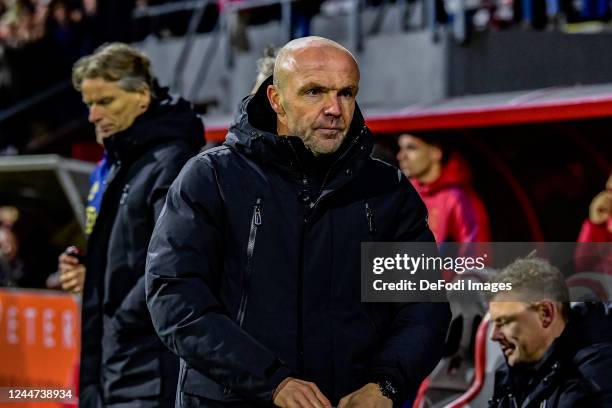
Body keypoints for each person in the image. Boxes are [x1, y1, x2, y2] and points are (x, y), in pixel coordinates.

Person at [146, 36, 451, 408]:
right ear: (276, 100)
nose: (334, 108)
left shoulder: (387, 191)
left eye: (346, 93)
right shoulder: (212, 178)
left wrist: (385, 385)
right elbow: (176, 298)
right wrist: (272, 381)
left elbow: (422, 307)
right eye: (314, 92)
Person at [59, 43, 204, 407]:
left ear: (141, 96)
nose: (92, 115)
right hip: (116, 362)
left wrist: (122, 320)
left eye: (105, 101)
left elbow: (176, 261)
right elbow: (132, 251)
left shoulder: (170, 161)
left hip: (147, 366)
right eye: (88, 103)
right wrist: (93, 274)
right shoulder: (123, 160)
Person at [488, 257, 612, 407]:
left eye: (504, 322)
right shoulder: (511, 372)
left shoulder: (593, 374)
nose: (493, 336)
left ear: (545, 314)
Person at [396, 133, 490, 243]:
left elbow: (474, 255)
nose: (401, 156)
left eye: (411, 148)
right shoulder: (404, 193)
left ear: (435, 153)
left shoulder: (458, 198)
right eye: (400, 148)